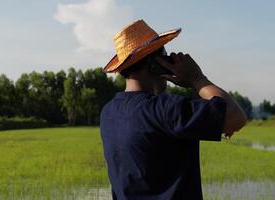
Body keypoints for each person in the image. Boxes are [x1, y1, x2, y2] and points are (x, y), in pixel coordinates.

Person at [100, 19, 247, 200]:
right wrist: (197, 78)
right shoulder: (166, 109)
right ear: (155, 63)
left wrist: (214, 120)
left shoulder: (108, 113)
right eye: (165, 56)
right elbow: (236, 117)